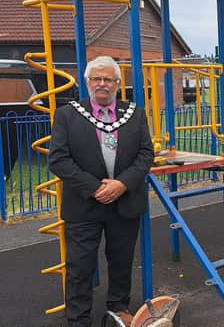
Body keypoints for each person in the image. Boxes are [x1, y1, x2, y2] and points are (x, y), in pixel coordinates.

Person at [49, 56, 154, 327]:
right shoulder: (67, 115)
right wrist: (95, 188)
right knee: (80, 267)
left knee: (121, 261)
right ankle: (78, 319)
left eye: (108, 79)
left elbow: (145, 154)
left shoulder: (135, 113)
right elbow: (58, 160)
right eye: (97, 78)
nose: (102, 84)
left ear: (118, 84)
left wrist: (121, 184)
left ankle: (118, 308)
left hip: (125, 201)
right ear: (87, 82)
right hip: (84, 204)